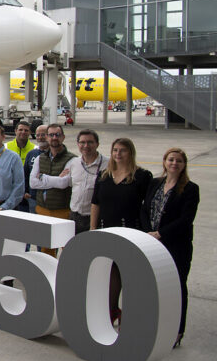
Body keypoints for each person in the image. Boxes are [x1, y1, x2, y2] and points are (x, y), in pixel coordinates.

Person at [91, 137, 153, 326]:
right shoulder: (104, 175)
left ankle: (130, 311)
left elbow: (147, 206)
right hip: (106, 227)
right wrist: (93, 228)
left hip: (130, 230)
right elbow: (95, 203)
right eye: (115, 150)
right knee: (110, 272)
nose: (118, 154)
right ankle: (111, 309)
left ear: (130, 153)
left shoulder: (142, 176)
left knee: (128, 272)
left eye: (123, 150)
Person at [141, 147, 198, 347]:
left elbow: (186, 219)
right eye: (171, 160)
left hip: (176, 245)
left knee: (178, 286)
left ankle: (177, 331)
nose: (174, 164)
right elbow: (144, 209)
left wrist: (161, 233)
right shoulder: (155, 183)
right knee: (154, 286)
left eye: (179, 161)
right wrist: (148, 231)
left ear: (184, 165)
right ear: (165, 162)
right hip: (152, 242)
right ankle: (155, 326)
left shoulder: (190, 188)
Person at [29, 124, 76, 220]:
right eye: (51, 135)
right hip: (41, 210)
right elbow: (32, 183)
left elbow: (63, 183)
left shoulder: (73, 159)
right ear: (46, 137)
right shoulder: (39, 158)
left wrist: (42, 177)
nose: (54, 137)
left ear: (63, 137)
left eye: (57, 135)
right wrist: (57, 179)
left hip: (62, 212)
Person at [68, 129, 107, 234]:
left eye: (90, 142)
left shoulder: (108, 165)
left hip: (95, 218)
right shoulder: (74, 163)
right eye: (82, 142)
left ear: (97, 144)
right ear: (78, 144)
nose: (86, 146)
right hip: (75, 217)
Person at [22, 124, 50, 213]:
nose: (40, 137)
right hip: (33, 198)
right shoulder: (31, 154)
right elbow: (25, 174)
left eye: (43, 134)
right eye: (38, 135)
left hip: (50, 199)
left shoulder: (54, 154)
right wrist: (25, 191)